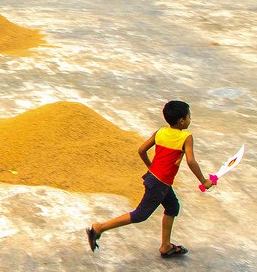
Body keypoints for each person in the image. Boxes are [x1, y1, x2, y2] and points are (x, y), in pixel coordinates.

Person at [87, 101, 215, 257]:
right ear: (182, 120)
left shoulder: (160, 132)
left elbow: (141, 150)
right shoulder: (186, 137)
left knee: (173, 207)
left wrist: (151, 167)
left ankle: (166, 246)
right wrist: (203, 181)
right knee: (140, 215)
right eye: (189, 116)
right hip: (160, 183)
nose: (190, 119)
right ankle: (99, 228)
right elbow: (191, 161)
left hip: (155, 178)